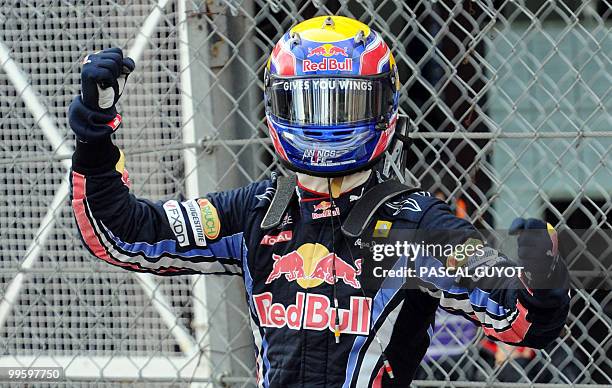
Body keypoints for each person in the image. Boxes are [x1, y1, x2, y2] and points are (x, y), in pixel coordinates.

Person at [68, 16, 570, 388]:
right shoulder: (255, 211)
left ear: (383, 105)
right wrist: (95, 135)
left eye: (345, 102)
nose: (326, 124)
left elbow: (520, 319)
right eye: (310, 103)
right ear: (279, 104)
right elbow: (122, 234)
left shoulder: (416, 228)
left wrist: (539, 281)